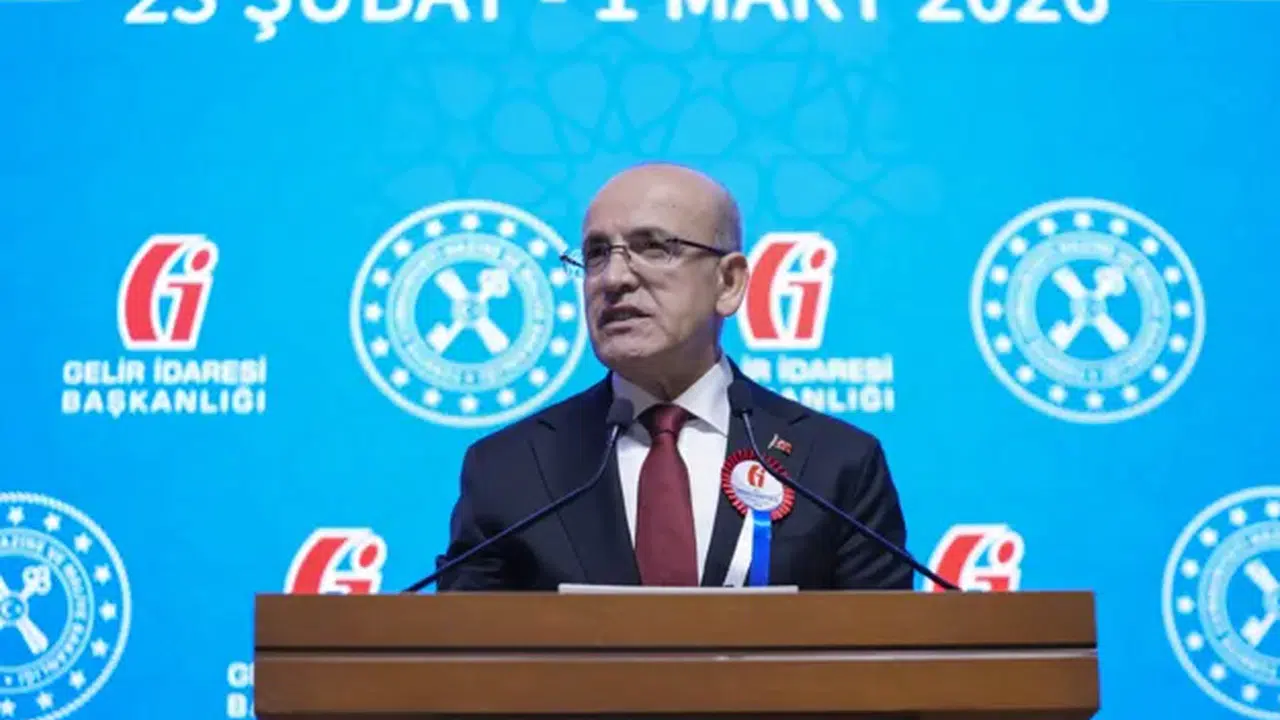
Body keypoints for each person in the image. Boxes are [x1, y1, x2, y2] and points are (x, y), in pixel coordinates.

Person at [434, 162, 913, 591]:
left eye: (654, 247)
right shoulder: (508, 468)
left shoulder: (837, 465)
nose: (613, 278)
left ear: (729, 282)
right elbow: (463, 651)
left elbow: (883, 651)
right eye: (596, 254)